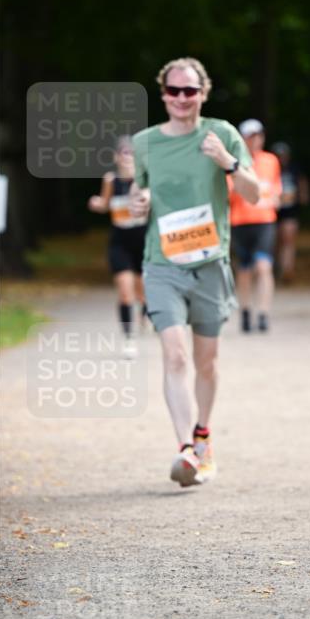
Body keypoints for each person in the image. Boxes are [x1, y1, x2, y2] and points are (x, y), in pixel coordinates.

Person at [129, 57, 259, 487]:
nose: (182, 98)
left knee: (207, 362)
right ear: (163, 94)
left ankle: (203, 434)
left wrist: (227, 161)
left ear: (203, 93)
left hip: (209, 262)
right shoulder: (145, 142)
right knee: (175, 354)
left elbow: (255, 194)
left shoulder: (221, 133)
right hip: (162, 263)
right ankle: (185, 448)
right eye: (173, 90)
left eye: (190, 91)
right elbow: (139, 187)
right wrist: (138, 201)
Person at [87, 136, 147, 358]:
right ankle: (129, 337)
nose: (128, 157)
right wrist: (97, 204)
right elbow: (105, 204)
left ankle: (145, 314)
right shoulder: (111, 180)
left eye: (132, 153)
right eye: (124, 152)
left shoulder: (144, 180)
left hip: (143, 242)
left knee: (143, 293)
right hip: (119, 243)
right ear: (116, 156)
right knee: (125, 292)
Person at [230, 119, 282, 332]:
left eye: (259, 135)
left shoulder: (271, 160)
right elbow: (227, 193)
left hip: (265, 220)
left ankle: (263, 314)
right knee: (245, 270)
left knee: (264, 266)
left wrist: (276, 197)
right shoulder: (234, 162)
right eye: (251, 136)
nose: (256, 140)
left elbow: (276, 187)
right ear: (243, 139)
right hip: (240, 221)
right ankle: (245, 310)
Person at [272, 141, 310, 283]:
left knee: (288, 239)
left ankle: (288, 269)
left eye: (283, 155)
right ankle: (277, 268)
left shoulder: (294, 169)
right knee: (276, 242)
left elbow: (302, 182)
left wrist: (304, 195)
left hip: (290, 210)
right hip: (273, 211)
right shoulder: (269, 169)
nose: (281, 158)